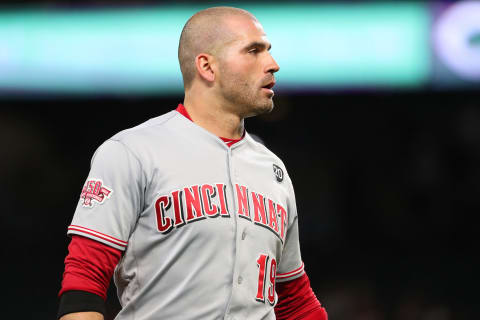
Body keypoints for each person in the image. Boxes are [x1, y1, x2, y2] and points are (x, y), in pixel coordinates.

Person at [57, 6, 328, 320]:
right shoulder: (132, 151)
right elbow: (84, 283)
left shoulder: (273, 170)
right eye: (253, 51)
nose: (272, 64)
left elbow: (294, 299)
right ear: (207, 66)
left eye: (268, 51)